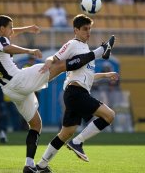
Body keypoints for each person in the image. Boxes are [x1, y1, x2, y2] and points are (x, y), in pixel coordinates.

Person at [0, 15, 115, 173]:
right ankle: (101, 51)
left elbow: (8, 37)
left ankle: (31, 165)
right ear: (2, 29)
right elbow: (6, 47)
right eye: (10, 28)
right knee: (58, 66)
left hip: (12, 91)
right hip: (18, 80)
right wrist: (29, 50)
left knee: (36, 125)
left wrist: (27, 29)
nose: (12, 31)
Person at [36, 14, 118, 172]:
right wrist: (48, 61)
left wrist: (106, 75)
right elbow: (58, 56)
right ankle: (78, 142)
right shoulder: (73, 44)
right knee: (109, 115)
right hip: (76, 93)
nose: (88, 32)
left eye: (90, 29)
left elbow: (87, 77)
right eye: (85, 29)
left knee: (65, 133)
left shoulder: (86, 49)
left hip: (77, 93)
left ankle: (41, 165)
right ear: (76, 30)